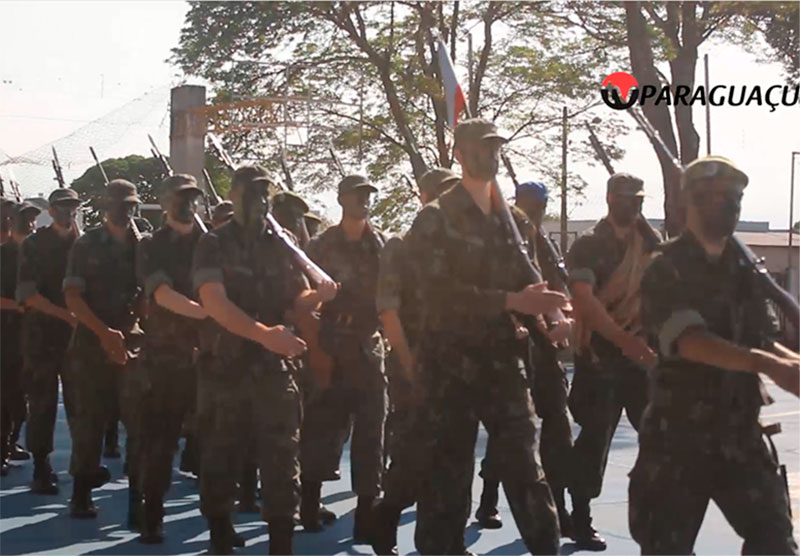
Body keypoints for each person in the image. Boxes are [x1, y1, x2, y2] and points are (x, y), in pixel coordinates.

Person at [404, 118, 569, 555]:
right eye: (479, 147)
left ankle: (545, 548)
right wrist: (512, 301)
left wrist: (547, 321)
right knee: (447, 472)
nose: (490, 154)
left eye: (495, 146)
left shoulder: (512, 220)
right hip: (448, 365)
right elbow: (436, 296)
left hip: (503, 364)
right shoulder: (434, 218)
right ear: (459, 154)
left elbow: (526, 288)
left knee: (526, 469)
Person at [630, 155, 799, 554]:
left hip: (739, 434)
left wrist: (788, 362)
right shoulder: (666, 269)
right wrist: (769, 365)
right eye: (713, 196)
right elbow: (692, 341)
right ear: (690, 202)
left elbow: (757, 337)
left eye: (733, 196)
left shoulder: (743, 270)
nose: (725, 204)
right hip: (678, 441)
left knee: (776, 543)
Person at [192, 165, 337, 554]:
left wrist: (320, 295)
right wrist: (264, 335)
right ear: (235, 197)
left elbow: (296, 298)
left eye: (264, 194)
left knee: (282, 457)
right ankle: (220, 534)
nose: (259, 201)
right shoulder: (214, 242)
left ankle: (281, 543)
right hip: (226, 367)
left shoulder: (283, 242)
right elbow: (214, 302)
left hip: (274, 369)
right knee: (221, 455)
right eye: (252, 193)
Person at [475, 179, 576, 535]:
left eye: (538, 205)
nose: (533, 211)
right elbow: (490, 295)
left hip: (546, 348)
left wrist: (563, 322)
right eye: (527, 204)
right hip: (512, 347)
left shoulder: (544, 244)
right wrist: (515, 321)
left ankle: (559, 508)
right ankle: (488, 500)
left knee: (558, 432)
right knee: (510, 431)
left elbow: (559, 290)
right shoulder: (501, 241)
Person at [565, 172, 659, 550]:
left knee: (658, 437)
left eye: (637, 199)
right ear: (609, 199)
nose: (632, 205)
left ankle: (656, 515)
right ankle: (579, 516)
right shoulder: (589, 245)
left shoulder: (648, 243)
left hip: (639, 357)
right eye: (625, 198)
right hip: (600, 357)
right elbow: (585, 299)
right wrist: (621, 340)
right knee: (594, 440)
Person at [371, 167, 460, 555]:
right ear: (424, 199)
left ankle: (444, 543)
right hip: (415, 361)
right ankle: (385, 520)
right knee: (412, 453)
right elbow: (388, 312)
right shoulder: (400, 248)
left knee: (455, 461)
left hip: (457, 366)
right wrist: (407, 364)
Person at [299, 174, 387, 541]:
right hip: (331, 344)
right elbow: (300, 302)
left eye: (367, 195)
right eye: (356, 196)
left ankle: (366, 515)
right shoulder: (320, 246)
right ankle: (308, 503)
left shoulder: (382, 244)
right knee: (321, 430)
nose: (363, 201)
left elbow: (393, 295)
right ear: (341, 200)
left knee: (371, 435)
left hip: (368, 348)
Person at [62, 179, 144, 519]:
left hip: (132, 344)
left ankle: (140, 500)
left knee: (140, 425)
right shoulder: (87, 245)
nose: (126, 211)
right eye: (119, 204)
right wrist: (104, 333)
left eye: (131, 205)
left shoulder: (144, 245)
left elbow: (150, 294)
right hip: (91, 345)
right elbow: (72, 298)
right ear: (105, 205)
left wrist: (133, 327)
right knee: (90, 422)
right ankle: (81, 494)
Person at [135, 174, 208, 543]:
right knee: (160, 444)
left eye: (192, 197)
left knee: (217, 445)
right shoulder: (153, 245)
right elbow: (161, 294)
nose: (188, 203)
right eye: (180, 197)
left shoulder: (211, 242)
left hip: (211, 361)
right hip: (167, 359)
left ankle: (220, 523)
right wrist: (212, 313)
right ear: (165, 202)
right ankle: (152, 515)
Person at [16, 188, 82, 494]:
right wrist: (66, 314)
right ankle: (41, 465)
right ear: (52, 210)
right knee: (42, 403)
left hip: (76, 338)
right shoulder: (34, 244)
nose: (69, 212)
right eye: (63, 207)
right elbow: (28, 294)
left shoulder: (83, 244)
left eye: (73, 206)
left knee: (82, 403)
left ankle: (84, 465)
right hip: (42, 335)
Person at [1, 201, 41, 475]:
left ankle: (11, 441)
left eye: (31, 220)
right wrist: (19, 306)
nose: (30, 225)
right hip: (5, 336)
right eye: (23, 220)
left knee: (22, 400)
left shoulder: (37, 255)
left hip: (33, 336)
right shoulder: (3, 256)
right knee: (4, 397)